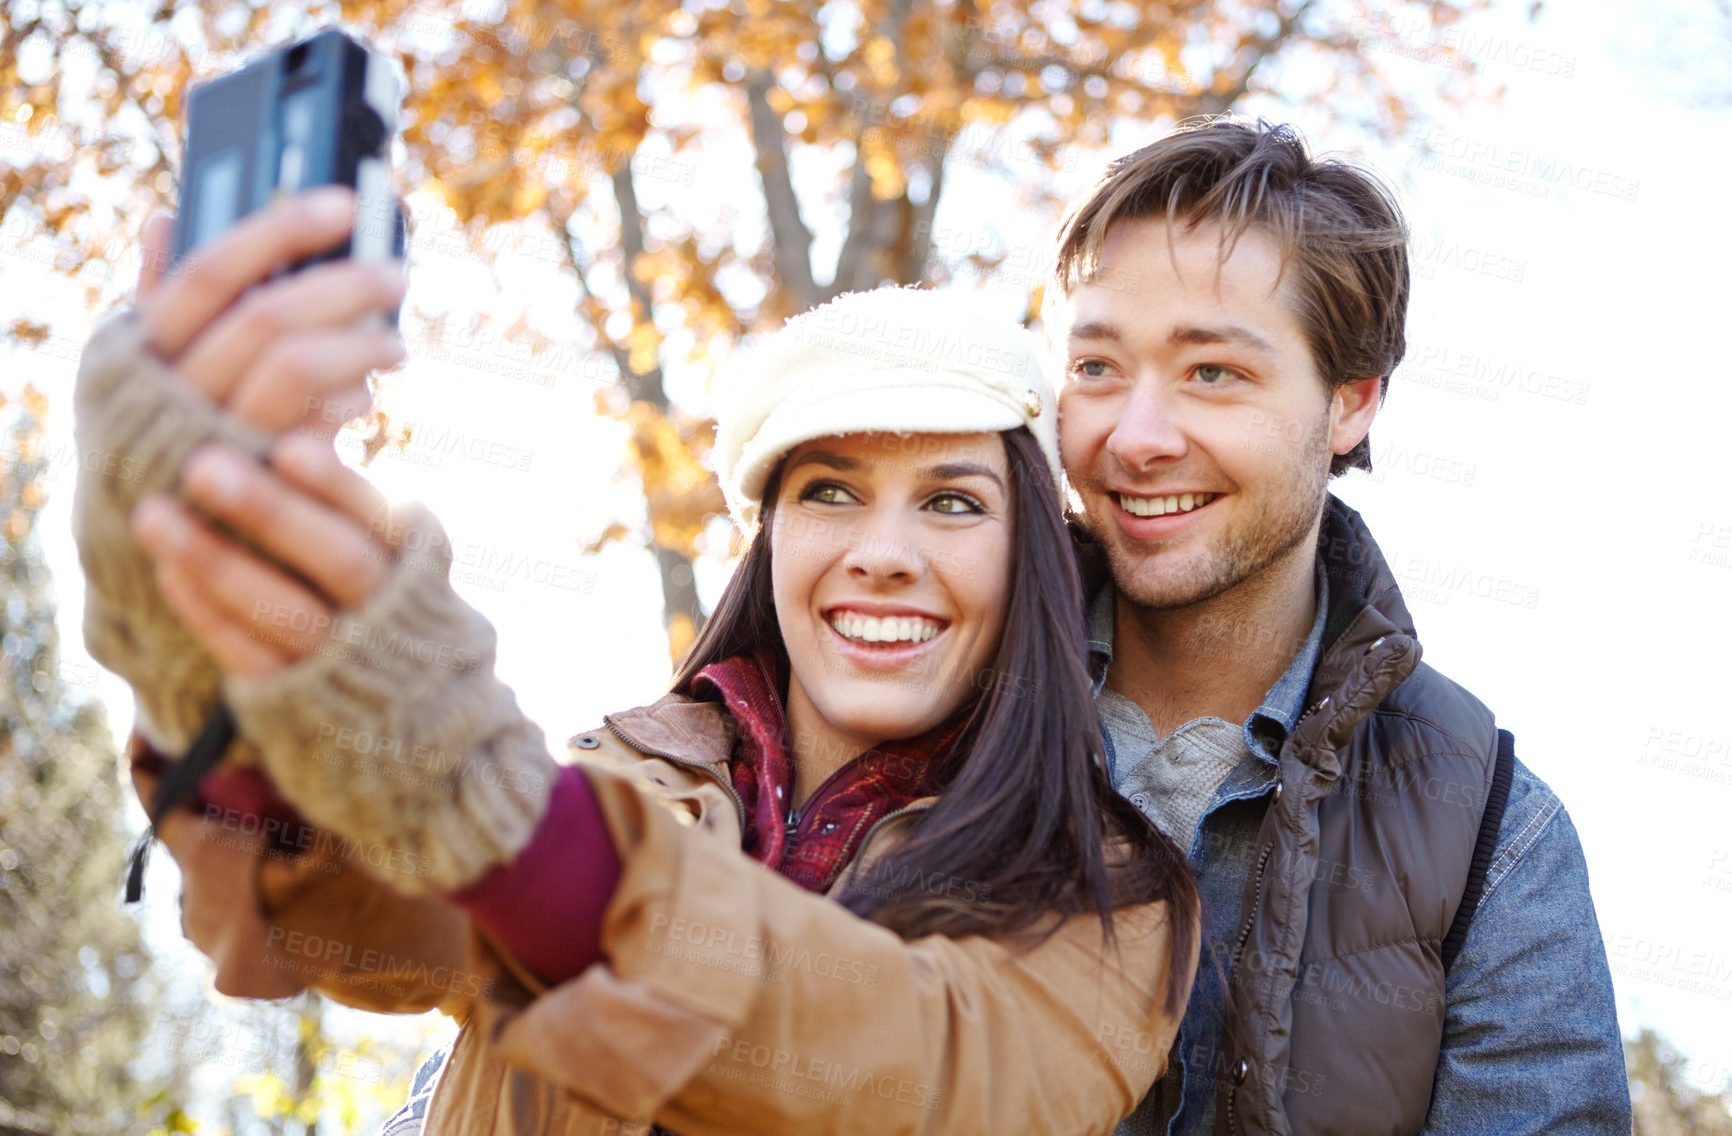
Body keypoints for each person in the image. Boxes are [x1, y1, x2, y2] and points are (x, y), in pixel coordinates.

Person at [74, 216, 1201, 1134]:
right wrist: (209, 650)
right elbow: (341, 924)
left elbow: (916, 1077)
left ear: (1032, 563)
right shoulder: (621, 777)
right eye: (829, 490)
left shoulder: (1110, 895)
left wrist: (511, 818)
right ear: (769, 541)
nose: (882, 551)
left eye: (953, 501)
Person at [1040, 118, 1630, 1134]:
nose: (1134, 436)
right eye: (1095, 367)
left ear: (1350, 402)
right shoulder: (927, 709)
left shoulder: (1492, 833)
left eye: (1211, 372)